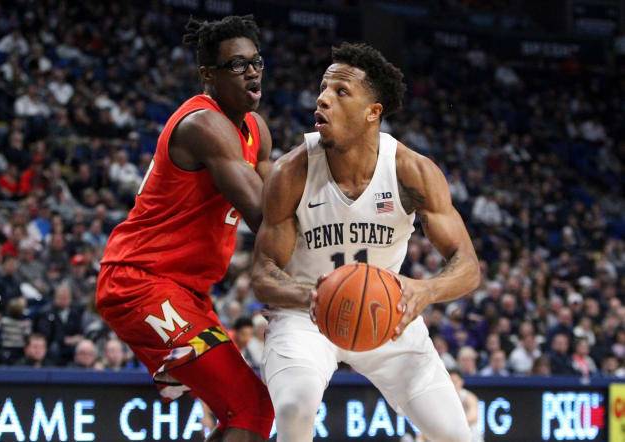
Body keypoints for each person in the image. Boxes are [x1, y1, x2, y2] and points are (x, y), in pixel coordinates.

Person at [251, 42, 480, 441]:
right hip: (304, 315)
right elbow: (263, 274)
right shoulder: (291, 171)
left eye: (341, 92)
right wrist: (313, 297)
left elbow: (467, 265)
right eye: (323, 88)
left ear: (374, 112)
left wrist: (426, 290)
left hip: (385, 312)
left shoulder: (412, 171)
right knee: (294, 406)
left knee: (455, 434)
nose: (322, 98)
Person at [95, 15, 274, 442]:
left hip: (188, 291)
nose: (251, 71)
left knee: (250, 415)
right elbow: (265, 218)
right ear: (207, 75)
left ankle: (173, 367)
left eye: (256, 62)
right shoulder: (204, 125)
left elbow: (279, 212)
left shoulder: (257, 130)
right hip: (141, 282)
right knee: (250, 408)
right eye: (236, 64)